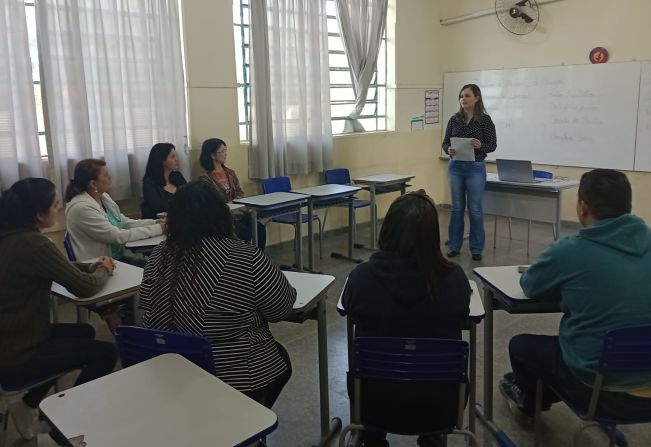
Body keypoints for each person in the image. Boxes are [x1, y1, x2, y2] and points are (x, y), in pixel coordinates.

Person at [500, 169, 651, 422]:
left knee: (522, 346)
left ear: (582, 206)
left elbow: (530, 285)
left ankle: (531, 401)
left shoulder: (570, 251)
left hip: (598, 392)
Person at [139, 181, 296, 409]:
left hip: (171, 366)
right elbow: (280, 310)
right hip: (230, 371)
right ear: (221, 215)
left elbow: (145, 301)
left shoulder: (158, 255)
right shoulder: (244, 256)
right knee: (280, 359)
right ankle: (249, 427)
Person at [341, 190, 471, 447]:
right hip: (440, 403)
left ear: (387, 230)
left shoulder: (363, 276)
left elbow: (349, 307)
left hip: (374, 401)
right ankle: (434, 438)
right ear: (433, 235)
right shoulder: (455, 279)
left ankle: (372, 438)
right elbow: (463, 313)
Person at [0, 178, 117, 442]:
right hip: (17, 354)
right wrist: (103, 269)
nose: (59, 209)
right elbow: (85, 289)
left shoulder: (11, 236)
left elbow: (55, 267)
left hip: (12, 338)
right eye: (55, 205)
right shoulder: (34, 244)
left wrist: (90, 265)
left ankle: (29, 402)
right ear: (38, 214)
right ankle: (62, 423)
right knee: (106, 353)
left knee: (84, 331)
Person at [65, 158, 165, 266]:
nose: (110, 177)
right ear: (93, 184)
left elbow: (123, 222)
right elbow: (117, 236)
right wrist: (159, 229)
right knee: (158, 271)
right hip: (98, 267)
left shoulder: (103, 197)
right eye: (106, 175)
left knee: (160, 268)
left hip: (116, 260)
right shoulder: (82, 208)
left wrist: (154, 223)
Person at [442, 83, 497, 261]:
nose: (463, 99)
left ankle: (476, 249)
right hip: (456, 167)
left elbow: (492, 145)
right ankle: (455, 245)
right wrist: (448, 149)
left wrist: (481, 145)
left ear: (476, 98)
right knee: (457, 208)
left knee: (474, 209)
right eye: (461, 96)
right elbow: (445, 143)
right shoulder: (454, 119)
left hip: (475, 168)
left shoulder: (485, 120)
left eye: (466, 96)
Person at [198, 138, 266, 250]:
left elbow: (239, 192)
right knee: (244, 232)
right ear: (212, 155)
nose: (225, 154)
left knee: (259, 228)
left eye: (226, 150)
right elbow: (211, 201)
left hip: (238, 212)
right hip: (223, 217)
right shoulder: (205, 178)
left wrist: (237, 203)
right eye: (222, 151)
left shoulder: (230, 173)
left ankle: (259, 259)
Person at [141, 143, 187, 219]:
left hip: (181, 218)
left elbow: (189, 196)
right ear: (162, 160)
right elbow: (159, 207)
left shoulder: (177, 176)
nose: (177, 159)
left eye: (176, 156)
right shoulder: (149, 183)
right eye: (173, 157)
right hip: (159, 223)